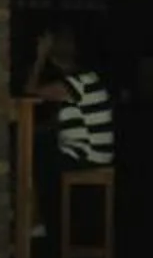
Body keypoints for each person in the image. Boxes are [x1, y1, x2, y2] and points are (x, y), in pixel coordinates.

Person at [25, 25, 114, 238]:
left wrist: (40, 57)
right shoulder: (80, 81)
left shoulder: (81, 81)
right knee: (36, 143)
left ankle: (35, 220)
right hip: (87, 154)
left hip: (88, 156)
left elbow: (29, 91)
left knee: (30, 153)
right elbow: (60, 125)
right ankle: (37, 219)